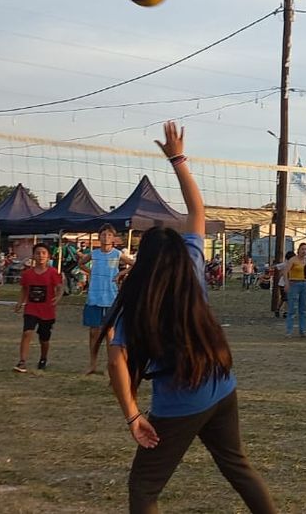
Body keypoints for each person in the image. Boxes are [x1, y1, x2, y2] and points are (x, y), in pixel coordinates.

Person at [100, 121, 276, 514]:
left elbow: (116, 361)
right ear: (179, 253)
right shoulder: (193, 265)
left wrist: (132, 417)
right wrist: (178, 159)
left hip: (181, 403)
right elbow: (197, 210)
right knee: (238, 467)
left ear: (142, 262)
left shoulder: (139, 301)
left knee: (144, 488)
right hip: (221, 385)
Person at [80, 224, 129, 375]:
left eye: (109, 235)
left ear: (113, 238)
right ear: (99, 236)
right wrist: (91, 272)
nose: (106, 237)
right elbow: (81, 263)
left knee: (110, 333)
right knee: (93, 332)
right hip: (94, 296)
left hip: (111, 297)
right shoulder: (94, 254)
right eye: (103, 234)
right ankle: (92, 364)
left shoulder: (117, 254)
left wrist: (121, 274)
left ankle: (111, 364)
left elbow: (135, 264)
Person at [15, 243, 63, 373]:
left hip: (47, 310)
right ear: (33, 256)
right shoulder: (27, 274)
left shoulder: (53, 273)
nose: (40, 256)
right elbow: (24, 289)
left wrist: (57, 298)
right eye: (38, 253)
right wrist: (20, 303)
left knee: (44, 338)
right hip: (31, 308)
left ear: (48, 257)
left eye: (43, 253)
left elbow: (60, 288)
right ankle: (22, 361)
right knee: (27, 333)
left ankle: (43, 358)